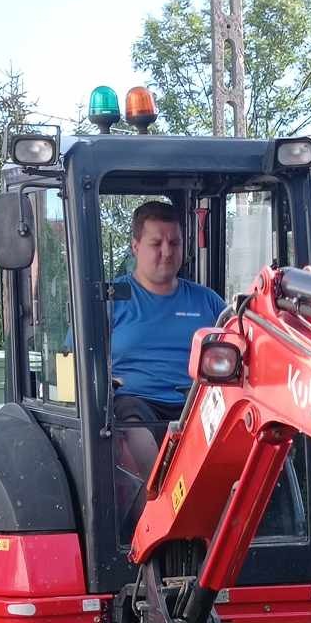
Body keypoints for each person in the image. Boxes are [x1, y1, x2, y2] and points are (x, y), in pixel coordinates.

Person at [109, 200, 227, 486]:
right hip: (136, 403)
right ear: (136, 246)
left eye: (174, 242)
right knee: (134, 426)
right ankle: (158, 502)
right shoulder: (113, 299)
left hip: (196, 402)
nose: (166, 252)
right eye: (156, 243)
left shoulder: (207, 301)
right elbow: (74, 358)